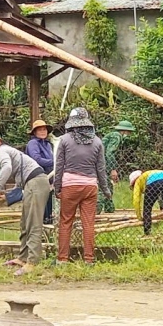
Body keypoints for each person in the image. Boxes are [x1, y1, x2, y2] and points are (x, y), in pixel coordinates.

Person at [0, 129, 51, 275]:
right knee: (25, 223)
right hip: (31, 183)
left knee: (33, 224)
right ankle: (23, 258)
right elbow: (19, 184)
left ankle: (32, 262)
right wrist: (6, 195)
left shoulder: (2, 151)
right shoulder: (10, 152)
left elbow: (7, 168)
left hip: (36, 183)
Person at [53, 107, 110, 265]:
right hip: (90, 187)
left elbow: (59, 167)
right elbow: (101, 169)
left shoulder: (64, 140)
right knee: (88, 223)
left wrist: (57, 187)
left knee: (66, 222)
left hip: (70, 186)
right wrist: (106, 190)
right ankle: (89, 259)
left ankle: (62, 259)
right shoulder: (98, 141)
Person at [24, 119, 56, 224]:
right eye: (40, 130)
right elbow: (37, 159)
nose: (43, 131)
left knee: (49, 203)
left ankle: (48, 225)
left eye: (44, 129)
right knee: (41, 205)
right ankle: (42, 227)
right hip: (38, 176)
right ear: (34, 132)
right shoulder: (32, 143)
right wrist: (54, 162)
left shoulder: (48, 144)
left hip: (49, 177)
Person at [98, 120, 134, 213]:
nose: (129, 134)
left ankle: (109, 209)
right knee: (104, 188)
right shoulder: (116, 136)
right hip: (101, 165)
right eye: (129, 132)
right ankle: (95, 212)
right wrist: (113, 169)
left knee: (108, 186)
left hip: (100, 164)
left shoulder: (113, 135)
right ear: (125, 131)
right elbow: (109, 153)